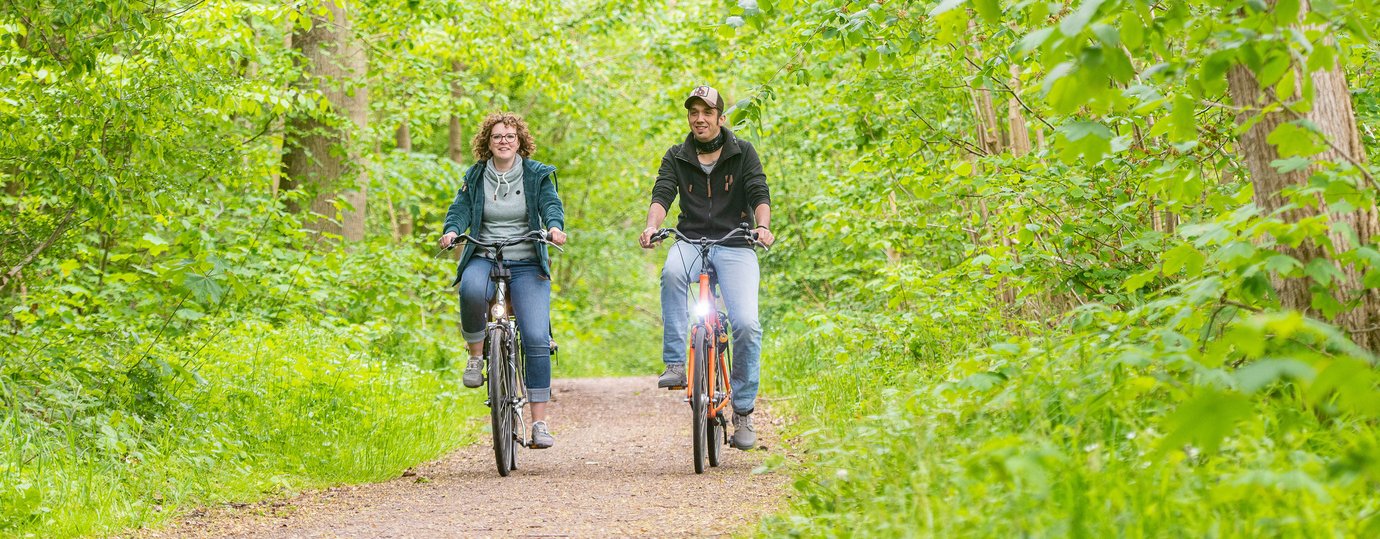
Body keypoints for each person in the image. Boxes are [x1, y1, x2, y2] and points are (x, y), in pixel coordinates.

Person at [638, 85, 775, 451]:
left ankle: (743, 411)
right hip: (690, 240)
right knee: (669, 273)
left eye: (707, 112)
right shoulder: (677, 155)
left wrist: (762, 226)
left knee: (746, 323)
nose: (699, 119)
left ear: (720, 118)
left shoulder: (742, 152)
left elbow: (759, 193)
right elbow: (662, 194)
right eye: (693, 112)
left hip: (735, 243)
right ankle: (675, 364)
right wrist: (652, 226)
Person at [439, 111, 567, 449]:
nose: (504, 141)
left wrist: (554, 228)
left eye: (510, 136)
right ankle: (476, 355)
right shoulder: (477, 174)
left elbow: (552, 205)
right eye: (497, 136)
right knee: (469, 288)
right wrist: (452, 231)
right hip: (485, 251)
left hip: (526, 258)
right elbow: (461, 207)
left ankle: (539, 422)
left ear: (520, 141)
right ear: (488, 142)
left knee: (537, 336)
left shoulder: (537, 174)